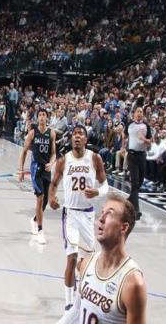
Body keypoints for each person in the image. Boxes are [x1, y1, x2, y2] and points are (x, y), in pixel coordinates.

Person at [57, 193, 147, 323]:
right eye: (102, 212)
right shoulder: (87, 263)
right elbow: (76, 311)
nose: (101, 218)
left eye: (109, 214)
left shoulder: (132, 282)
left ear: (123, 227)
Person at [49, 125, 108, 313]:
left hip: (88, 215)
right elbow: (53, 184)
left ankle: (83, 297)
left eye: (80, 134)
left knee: (87, 262)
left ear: (85, 139)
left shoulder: (95, 158)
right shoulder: (63, 161)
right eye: (74, 134)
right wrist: (51, 198)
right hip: (71, 215)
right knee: (72, 258)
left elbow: (105, 185)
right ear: (71, 139)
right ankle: (69, 303)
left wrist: (97, 192)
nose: (76, 136)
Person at [18, 108, 56, 244]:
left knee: (45, 202)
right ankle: (40, 230)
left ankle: (34, 220)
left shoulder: (51, 133)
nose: (41, 117)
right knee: (39, 198)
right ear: (37, 118)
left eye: (44, 115)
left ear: (47, 117)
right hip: (36, 169)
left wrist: (51, 163)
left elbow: (54, 153)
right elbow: (24, 151)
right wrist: (21, 170)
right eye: (39, 115)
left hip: (46, 170)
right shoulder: (32, 133)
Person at [125, 106, 151, 220]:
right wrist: (123, 147)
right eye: (138, 111)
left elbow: (150, 142)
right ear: (134, 114)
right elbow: (124, 135)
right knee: (135, 182)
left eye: (141, 112)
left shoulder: (146, 126)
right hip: (132, 155)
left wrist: (143, 139)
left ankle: (129, 201)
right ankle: (136, 210)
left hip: (142, 155)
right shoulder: (130, 125)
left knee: (139, 182)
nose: (139, 113)